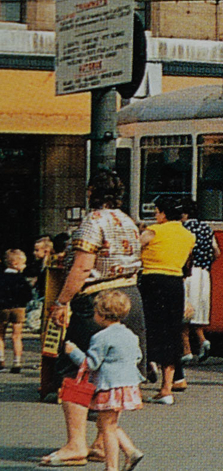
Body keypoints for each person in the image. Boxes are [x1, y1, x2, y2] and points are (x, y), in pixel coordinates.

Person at [43, 169, 148, 468]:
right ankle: (103, 443)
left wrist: (62, 301)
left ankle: (76, 443)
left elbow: (82, 266)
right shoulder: (128, 220)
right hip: (130, 296)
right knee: (115, 369)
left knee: (75, 369)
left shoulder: (93, 221)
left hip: (96, 300)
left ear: (91, 192)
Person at [62, 289, 145, 471]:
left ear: (101, 315)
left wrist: (73, 352)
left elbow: (91, 364)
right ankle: (130, 451)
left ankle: (111, 467)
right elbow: (138, 357)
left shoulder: (100, 337)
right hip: (127, 385)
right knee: (107, 423)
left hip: (110, 386)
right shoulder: (131, 335)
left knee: (107, 428)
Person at [138, 196, 195, 405]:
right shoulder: (189, 236)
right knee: (172, 332)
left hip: (152, 281)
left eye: (156, 211)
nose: (155, 214)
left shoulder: (155, 230)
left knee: (148, 327)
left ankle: (147, 367)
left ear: (163, 213)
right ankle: (166, 389)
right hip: (175, 284)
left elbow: (136, 246)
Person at [180, 198, 220, 365]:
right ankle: (203, 341)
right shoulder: (206, 228)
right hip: (204, 274)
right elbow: (216, 252)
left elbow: (184, 252)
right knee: (198, 313)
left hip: (188, 273)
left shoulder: (184, 229)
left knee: (183, 313)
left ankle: (187, 350)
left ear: (184, 213)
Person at [0, 248, 31, 372]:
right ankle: (16, 362)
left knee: (1, 335)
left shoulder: (1, 278)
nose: (24, 266)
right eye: (23, 263)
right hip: (19, 308)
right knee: (17, 336)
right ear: (16, 264)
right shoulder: (21, 279)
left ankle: (1, 359)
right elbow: (28, 294)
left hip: (2, 308)